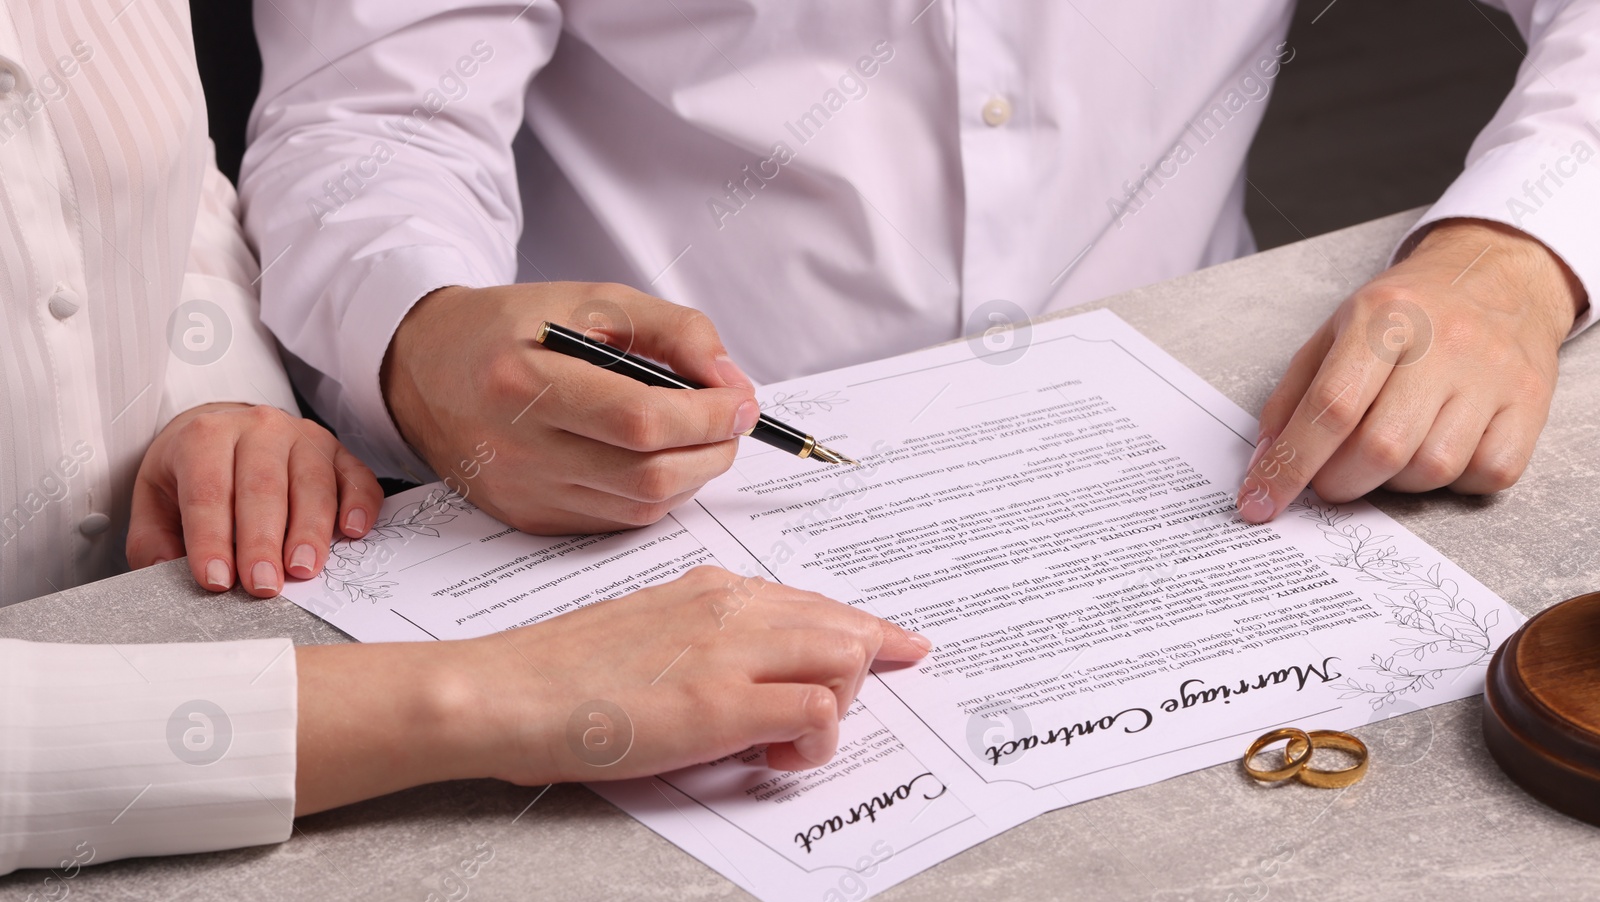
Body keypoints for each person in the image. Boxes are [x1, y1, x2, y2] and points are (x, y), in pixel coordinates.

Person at [0, 2, 926, 877]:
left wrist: (220, 409)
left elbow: (142, 179)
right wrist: (472, 694)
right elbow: (373, 113)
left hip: (179, 596)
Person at [240, 1, 1593, 539]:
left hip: (1206, 447)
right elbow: (369, 122)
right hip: (652, 502)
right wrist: (424, 331)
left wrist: (1516, 250)